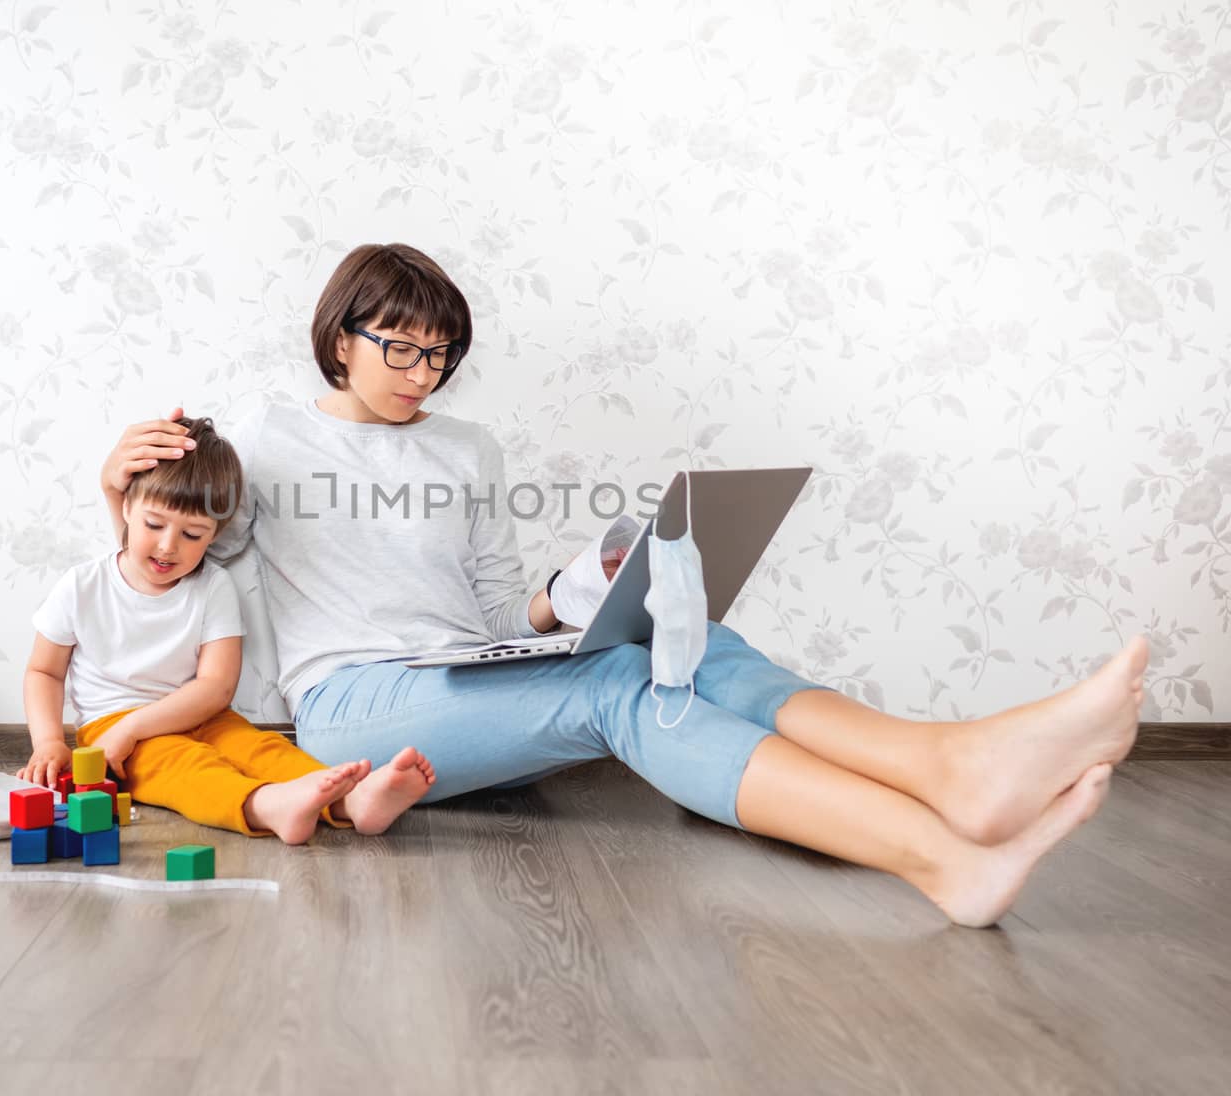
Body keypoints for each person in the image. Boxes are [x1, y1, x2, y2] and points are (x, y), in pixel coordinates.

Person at [99, 244, 1146, 925]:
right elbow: (169, 565)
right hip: (347, 707)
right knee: (612, 694)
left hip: (459, 677)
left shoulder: (468, 450)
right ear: (341, 339)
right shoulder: (266, 445)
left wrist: (581, 594)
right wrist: (118, 493)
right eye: (402, 350)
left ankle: (949, 767)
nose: (423, 375)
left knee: (688, 644)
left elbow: (496, 614)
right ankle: (936, 855)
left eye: (441, 358)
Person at [18, 414, 436, 845]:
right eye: (155, 525)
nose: (168, 546)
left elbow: (216, 687)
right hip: (115, 729)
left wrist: (137, 726)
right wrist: (49, 741)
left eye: (192, 534)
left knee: (260, 749)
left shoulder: (213, 586)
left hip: (203, 716)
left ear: (215, 533)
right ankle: (268, 806)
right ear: (125, 506)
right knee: (189, 769)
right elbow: (43, 673)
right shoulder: (81, 586)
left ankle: (355, 800)